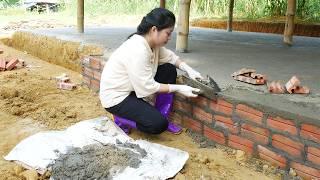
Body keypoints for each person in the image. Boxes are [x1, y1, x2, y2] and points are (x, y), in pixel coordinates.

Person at [99, 8, 203, 135]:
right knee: (158, 125)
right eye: (168, 33)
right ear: (154, 30)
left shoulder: (152, 44)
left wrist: (189, 70)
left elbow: (171, 57)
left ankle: (161, 114)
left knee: (168, 69)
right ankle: (122, 119)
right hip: (117, 97)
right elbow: (147, 87)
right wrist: (178, 88)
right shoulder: (138, 49)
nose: (169, 38)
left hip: (131, 88)